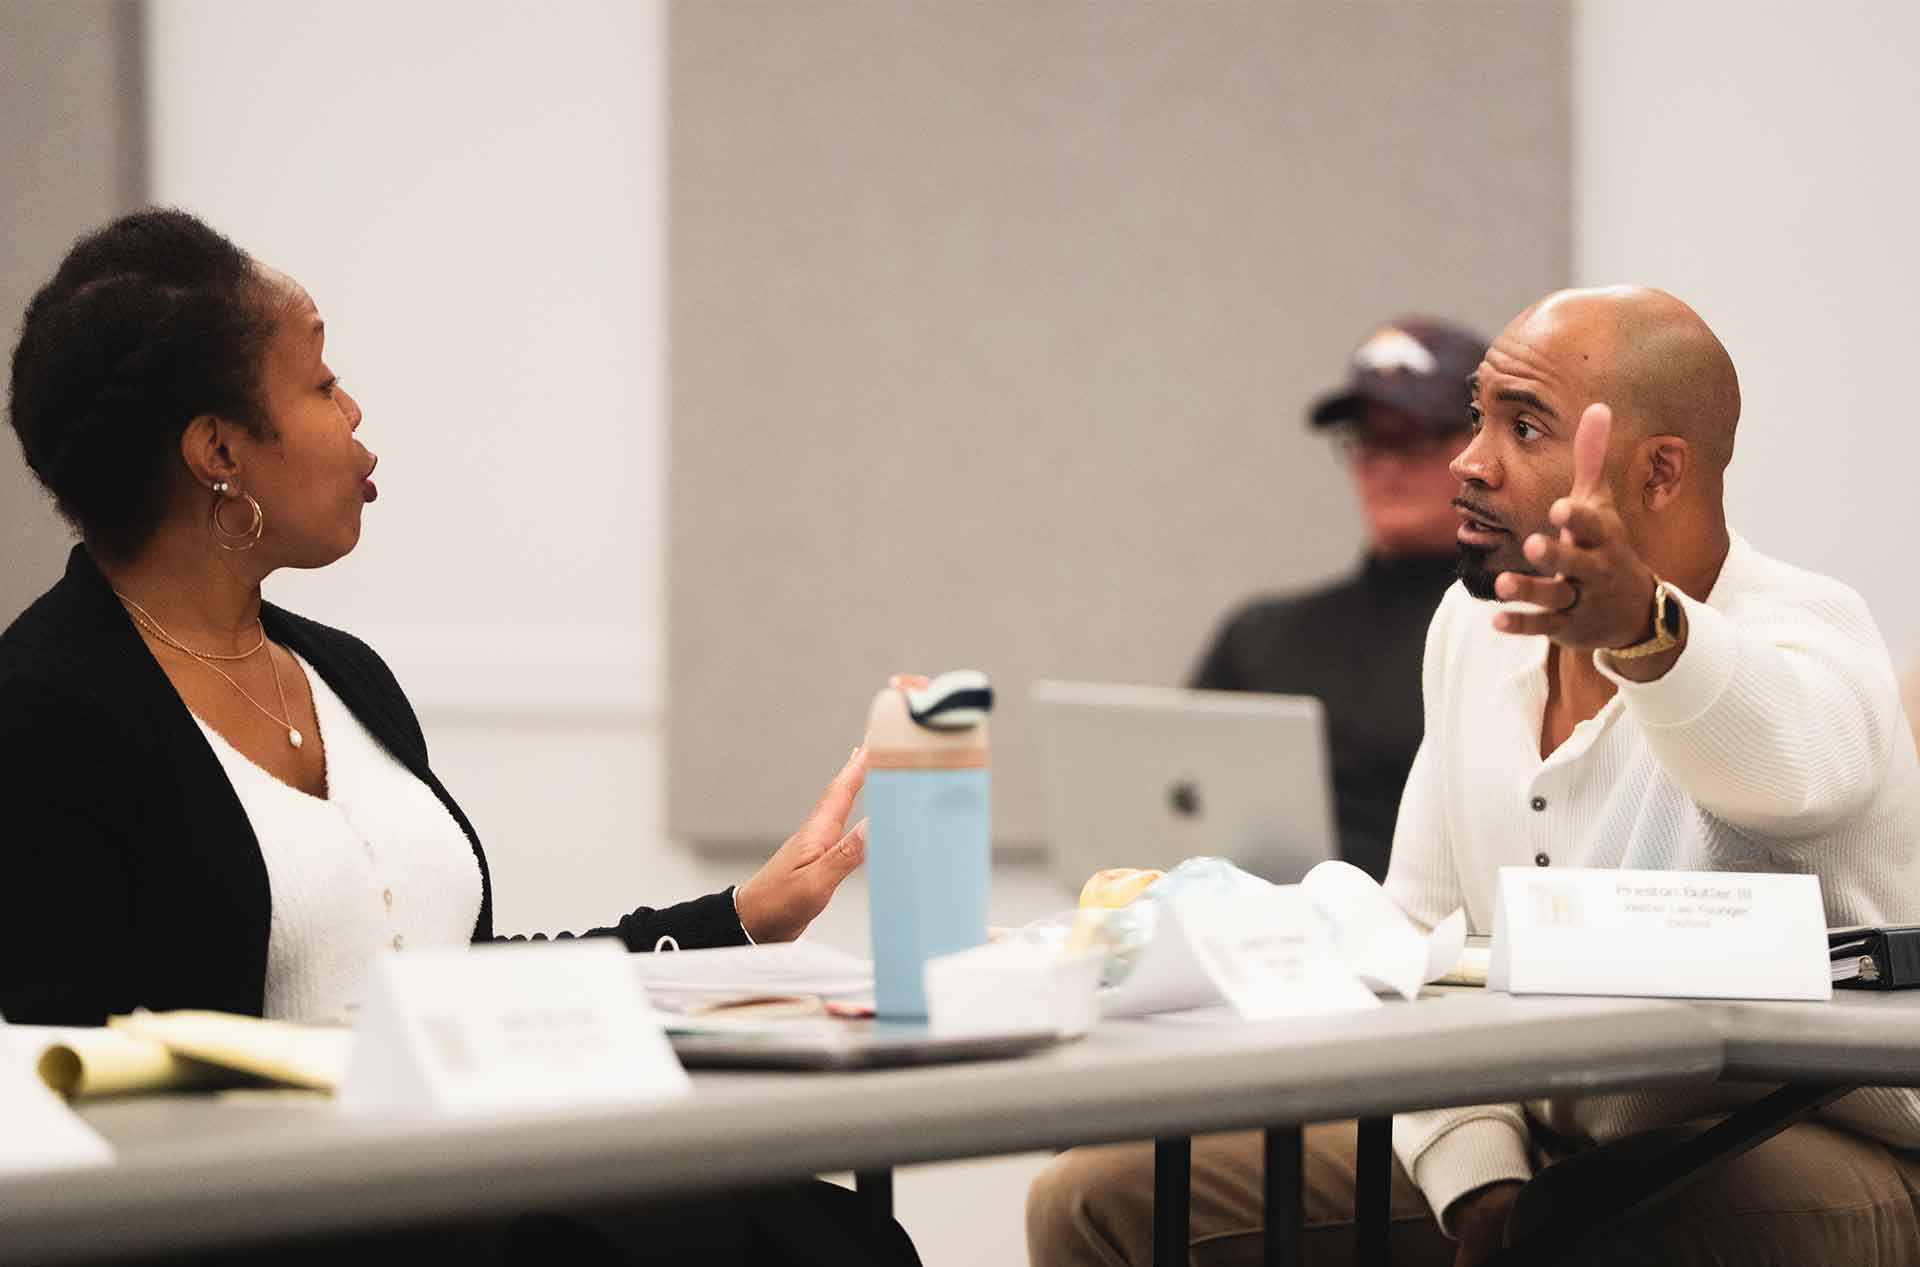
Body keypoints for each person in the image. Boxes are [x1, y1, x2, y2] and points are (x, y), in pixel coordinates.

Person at [0, 210, 918, 1266]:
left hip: (464, 1184)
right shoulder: (45, 713)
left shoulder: (344, 674)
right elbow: (58, 1094)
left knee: (829, 1231)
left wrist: (737, 919)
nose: (358, 419)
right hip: (288, 1225)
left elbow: (464, 992)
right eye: (321, 384)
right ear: (217, 451)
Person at [1030, 286, 1920, 1266]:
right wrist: (1477, 1180)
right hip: (1547, 1134)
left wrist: (1646, 635)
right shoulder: (1471, 629)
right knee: (1099, 1196)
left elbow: (1785, 769)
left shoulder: (1808, 627)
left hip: (1825, 1140)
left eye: (1522, 423)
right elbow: (1416, 936)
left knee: (1599, 1218)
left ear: (1661, 473)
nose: (1469, 460)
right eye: (1477, 415)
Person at [1190, 318, 1484, 881]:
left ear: (1482, 444)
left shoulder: (1527, 636)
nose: (1386, 465)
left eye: (1415, 436)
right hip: (1263, 942)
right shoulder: (1260, 637)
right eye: (1368, 440)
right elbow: (1176, 805)